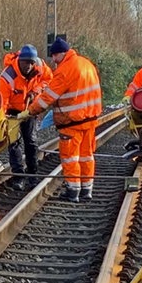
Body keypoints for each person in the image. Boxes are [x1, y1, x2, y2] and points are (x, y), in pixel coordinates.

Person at [26, 38, 102, 201]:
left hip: (72, 122)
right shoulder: (87, 64)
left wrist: (30, 111)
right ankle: (86, 190)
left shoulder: (65, 69)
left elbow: (48, 97)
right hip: (90, 120)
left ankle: (73, 191)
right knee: (87, 156)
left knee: (70, 157)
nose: (53, 60)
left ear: (62, 53)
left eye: (54, 56)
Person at [0, 44, 50, 187]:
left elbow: (49, 80)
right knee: (13, 143)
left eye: (31, 63)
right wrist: (2, 119)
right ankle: (19, 177)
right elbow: (3, 101)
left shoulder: (40, 67)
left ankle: (32, 175)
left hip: (30, 109)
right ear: (20, 61)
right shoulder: (8, 76)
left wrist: (36, 90)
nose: (29, 66)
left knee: (31, 142)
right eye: (26, 62)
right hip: (12, 111)